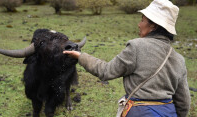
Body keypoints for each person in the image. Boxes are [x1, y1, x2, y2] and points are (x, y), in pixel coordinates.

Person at [63, 0, 191, 116]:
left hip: (140, 113)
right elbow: (184, 102)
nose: (138, 24)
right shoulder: (179, 59)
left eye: (142, 20)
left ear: (153, 26)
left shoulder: (136, 46)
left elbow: (106, 71)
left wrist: (81, 56)